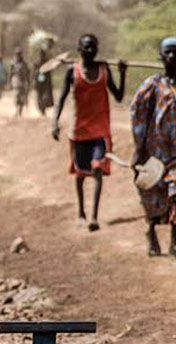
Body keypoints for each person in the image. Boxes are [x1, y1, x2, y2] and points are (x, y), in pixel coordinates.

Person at [130, 37, 176, 258]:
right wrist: (138, 149)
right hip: (154, 151)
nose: (171, 56)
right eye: (167, 52)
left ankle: (174, 242)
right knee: (153, 196)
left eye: (175, 53)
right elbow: (137, 115)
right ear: (161, 57)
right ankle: (151, 233)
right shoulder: (151, 85)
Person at [51, 34, 126, 232]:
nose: (91, 50)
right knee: (80, 173)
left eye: (93, 47)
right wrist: (54, 122)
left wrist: (122, 73)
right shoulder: (72, 72)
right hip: (78, 131)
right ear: (79, 49)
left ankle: (94, 217)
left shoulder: (104, 70)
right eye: (87, 47)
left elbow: (118, 97)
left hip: (100, 131)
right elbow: (61, 99)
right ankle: (81, 213)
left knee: (97, 169)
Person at [9, 48, 29, 118]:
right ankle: (17, 111)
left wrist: (28, 82)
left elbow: (27, 73)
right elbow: (10, 73)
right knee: (16, 96)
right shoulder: (13, 63)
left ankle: (20, 111)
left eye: (19, 54)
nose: (18, 55)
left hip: (22, 82)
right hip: (16, 81)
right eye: (17, 54)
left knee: (22, 97)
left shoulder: (24, 63)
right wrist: (9, 82)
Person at [33, 48, 53, 117]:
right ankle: (41, 109)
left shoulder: (47, 62)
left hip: (45, 82)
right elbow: (34, 73)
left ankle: (43, 109)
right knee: (40, 96)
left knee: (45, 97)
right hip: (39, 82)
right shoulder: (37, 62)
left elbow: (49, 72)